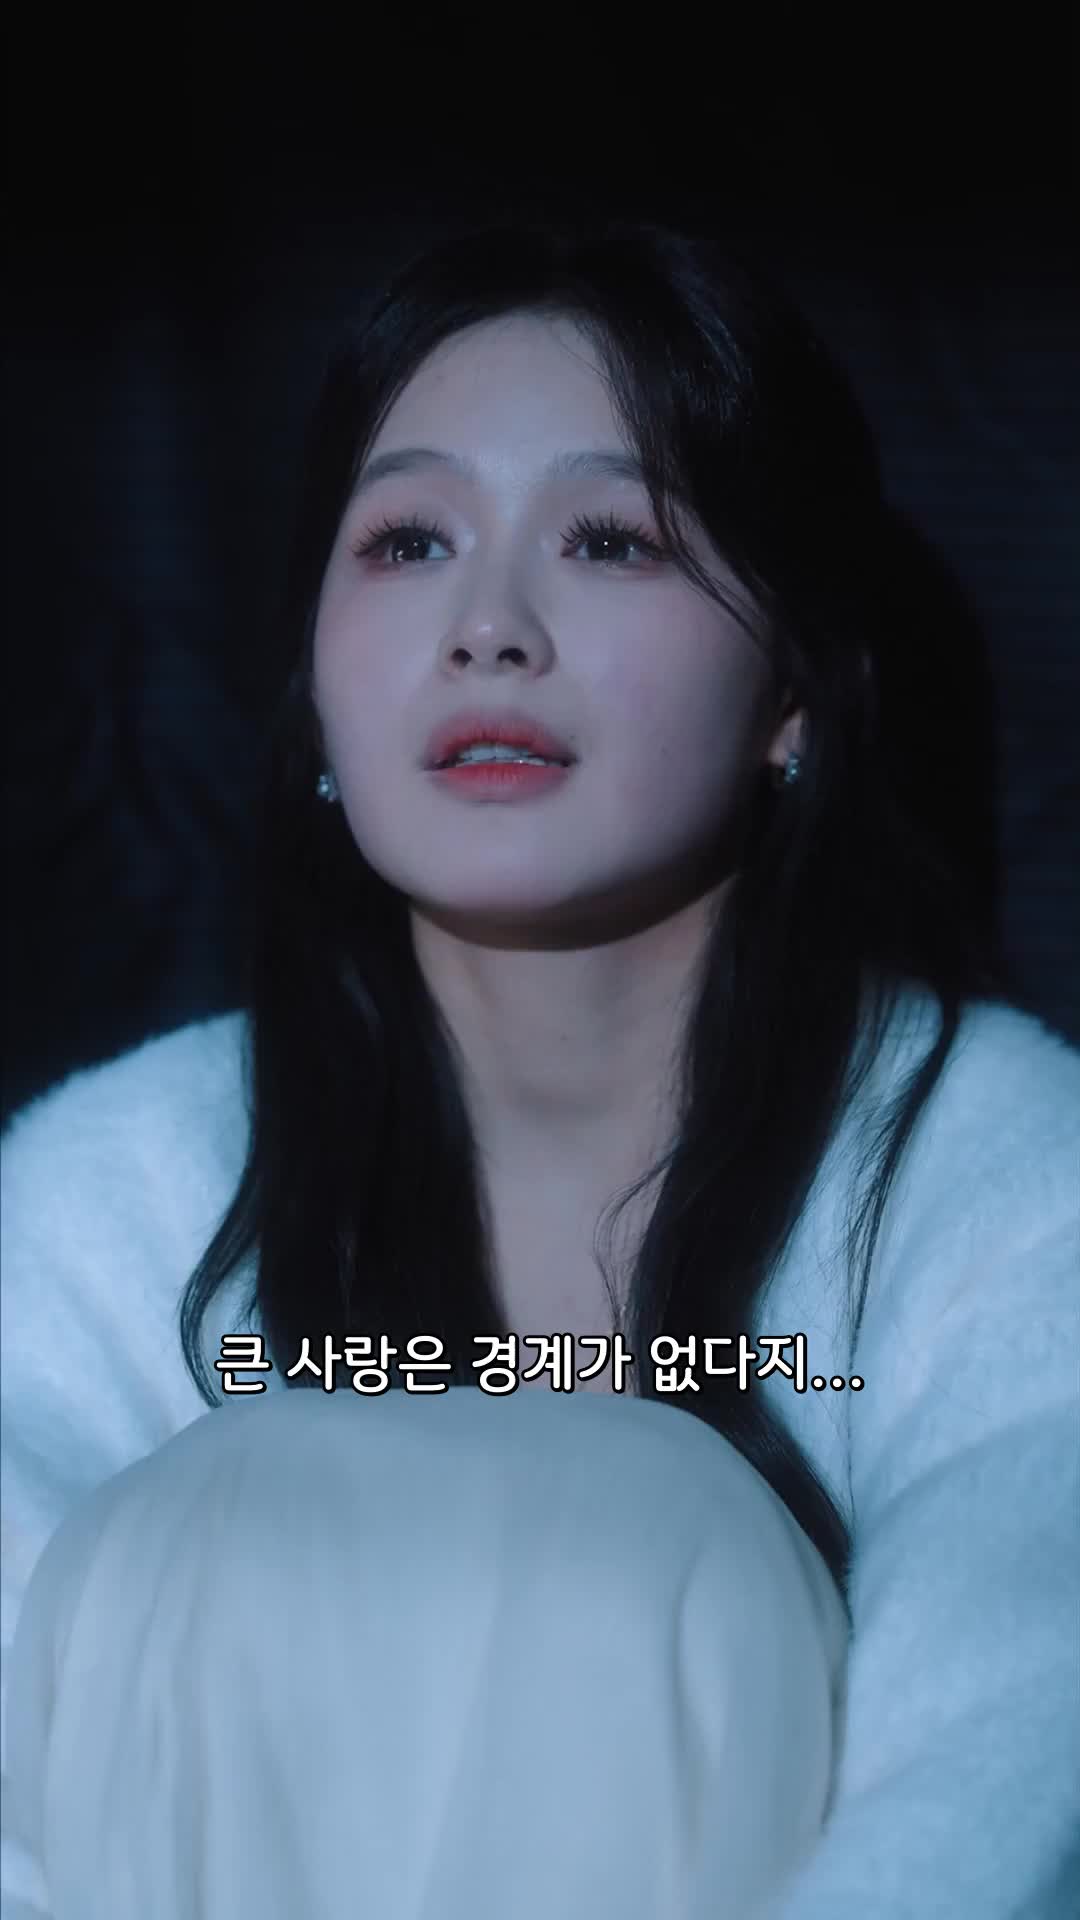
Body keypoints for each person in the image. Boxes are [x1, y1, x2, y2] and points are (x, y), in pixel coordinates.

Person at [2, 216, 1077, 1917]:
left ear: (793, 692)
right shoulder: (107, 1202)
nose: (489, 626)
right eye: (410, 539)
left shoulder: (1009, 1184)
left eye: (611, 540)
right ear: (313, 689)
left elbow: (1010, 1741)